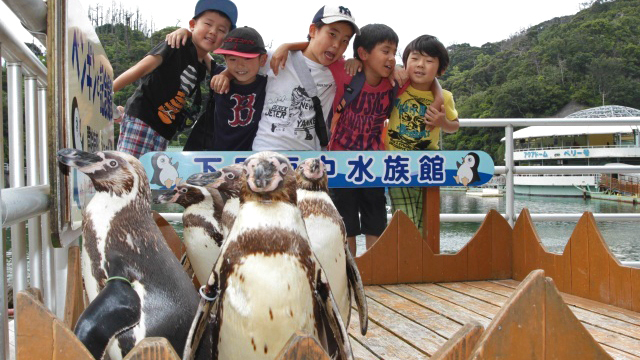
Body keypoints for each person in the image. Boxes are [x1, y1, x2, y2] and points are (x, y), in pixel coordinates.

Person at [113, 0, 237, 158]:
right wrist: (108, 90)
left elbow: (227, 69)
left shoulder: (203, 62)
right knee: (131, 173)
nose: (213, 31)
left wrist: (225, 75)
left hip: (164, 132)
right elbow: (142, 68)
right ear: (193, 24)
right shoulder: (175, 45)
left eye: (221, 30)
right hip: (143, 120)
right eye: (208, 24)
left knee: (149, 179)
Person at [327, 24, 403, 255]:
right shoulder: (345, 73)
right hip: (340, 163)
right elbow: (314, 52)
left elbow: (429, 78)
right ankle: (350, 272)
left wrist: (398, 68)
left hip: (374, 163)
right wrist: (285, 47)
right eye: (386, 51)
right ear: (363, 53)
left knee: (376, 220)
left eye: (394, 52)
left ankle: (375, 270)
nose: (391, 58)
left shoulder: (394, 82)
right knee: (345, 223)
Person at [386, 34, 459, 234]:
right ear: (405, 62)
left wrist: (442, 122)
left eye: (429, 61)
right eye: (415, 58)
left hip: (428, 164)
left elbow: (454, 125)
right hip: (396, 164)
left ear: (440, 69)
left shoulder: (444, 97)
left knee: (424, 218)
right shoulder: (395, 88)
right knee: (405, 217)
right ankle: (411, 259)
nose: (420, 65)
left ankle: (418, 259)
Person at [208, 27, 268, 150]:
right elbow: (199, 51)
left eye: (247, 58)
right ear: (225, 60)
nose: (240, 65)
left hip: (252, 158)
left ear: (262, 60)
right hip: (219, 156)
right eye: (233, 59)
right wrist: (185, 32)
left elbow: (308, 50)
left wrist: (286, 46)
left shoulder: (268, 83)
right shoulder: (218, 76)